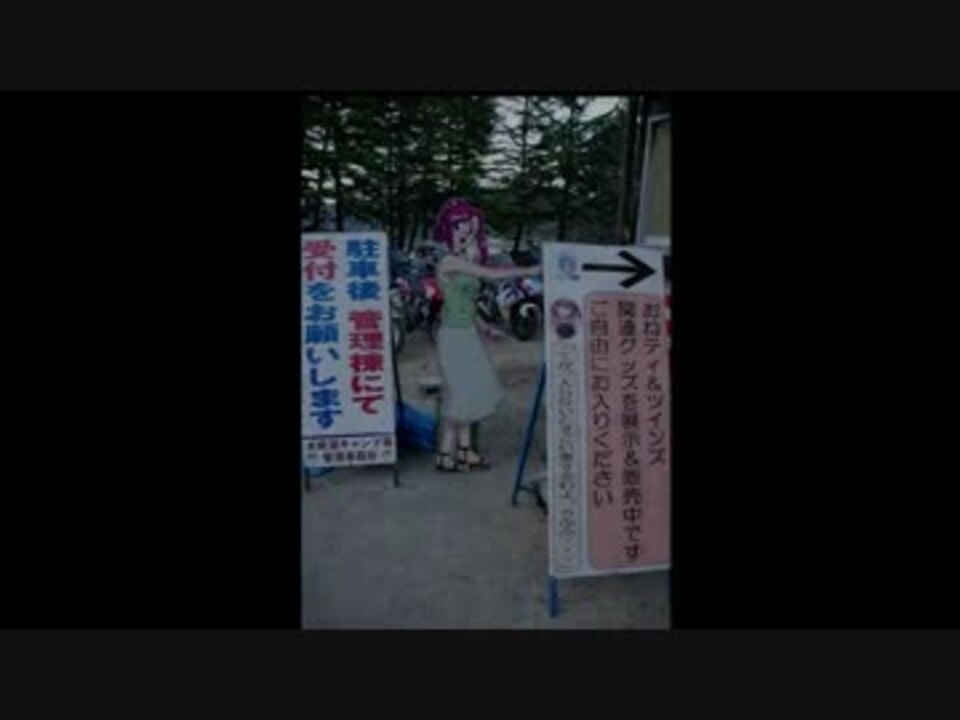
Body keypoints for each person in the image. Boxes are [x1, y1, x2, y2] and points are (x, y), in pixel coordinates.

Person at [431, 198, 541, 472]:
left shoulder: (462, 261)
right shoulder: (449, 261)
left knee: (469, 396)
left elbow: (466, 304)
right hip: (454, 335)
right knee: (461, 397)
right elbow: (491, 275)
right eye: (460, 226)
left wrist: (484, 327)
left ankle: (464, 451)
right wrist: (532, 270)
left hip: (467, 332)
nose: (466, 232)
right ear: (448, 229)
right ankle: (446, 454)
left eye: (471, 228)